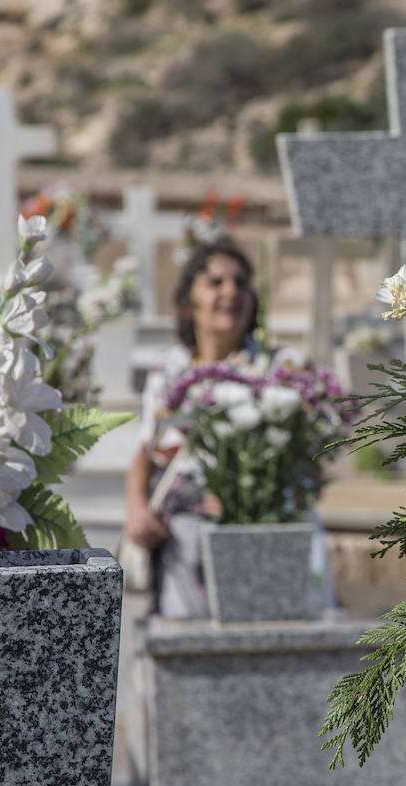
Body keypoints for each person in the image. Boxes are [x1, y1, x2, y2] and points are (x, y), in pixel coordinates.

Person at [123, 239, 261, 619]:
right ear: (189, 302)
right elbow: (144, 454)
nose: (230, 292)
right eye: (215, 282)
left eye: (240, 282)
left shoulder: (272, 369)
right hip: (179, 537)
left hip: (247, 531)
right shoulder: (168, 370)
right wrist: (137, 512)